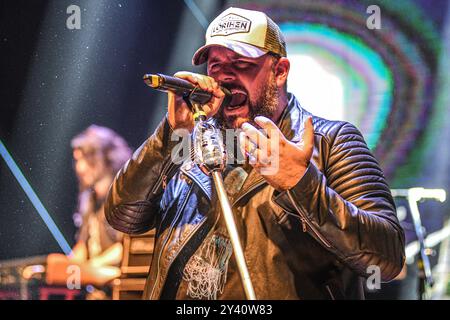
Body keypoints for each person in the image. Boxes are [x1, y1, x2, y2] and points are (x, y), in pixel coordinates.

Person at [105, 7, 405, 299]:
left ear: (280, 71)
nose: (224, 77)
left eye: (241, 63)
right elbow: (122, 217)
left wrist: (302, 185)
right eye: (215, 65)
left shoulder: (332, 142)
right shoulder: (188, 142)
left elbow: (386, 257)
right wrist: (170, 134)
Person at [47, 125, 132, 295]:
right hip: (98, 290)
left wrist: (90, 267)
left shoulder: (125, 196)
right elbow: (82, 247)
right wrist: (67, 266)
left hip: (121, 288)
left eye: (85, 159)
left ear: (105, 156)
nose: (80, 168)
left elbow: (127, 248)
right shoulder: (89, 200)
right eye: (77, 160)